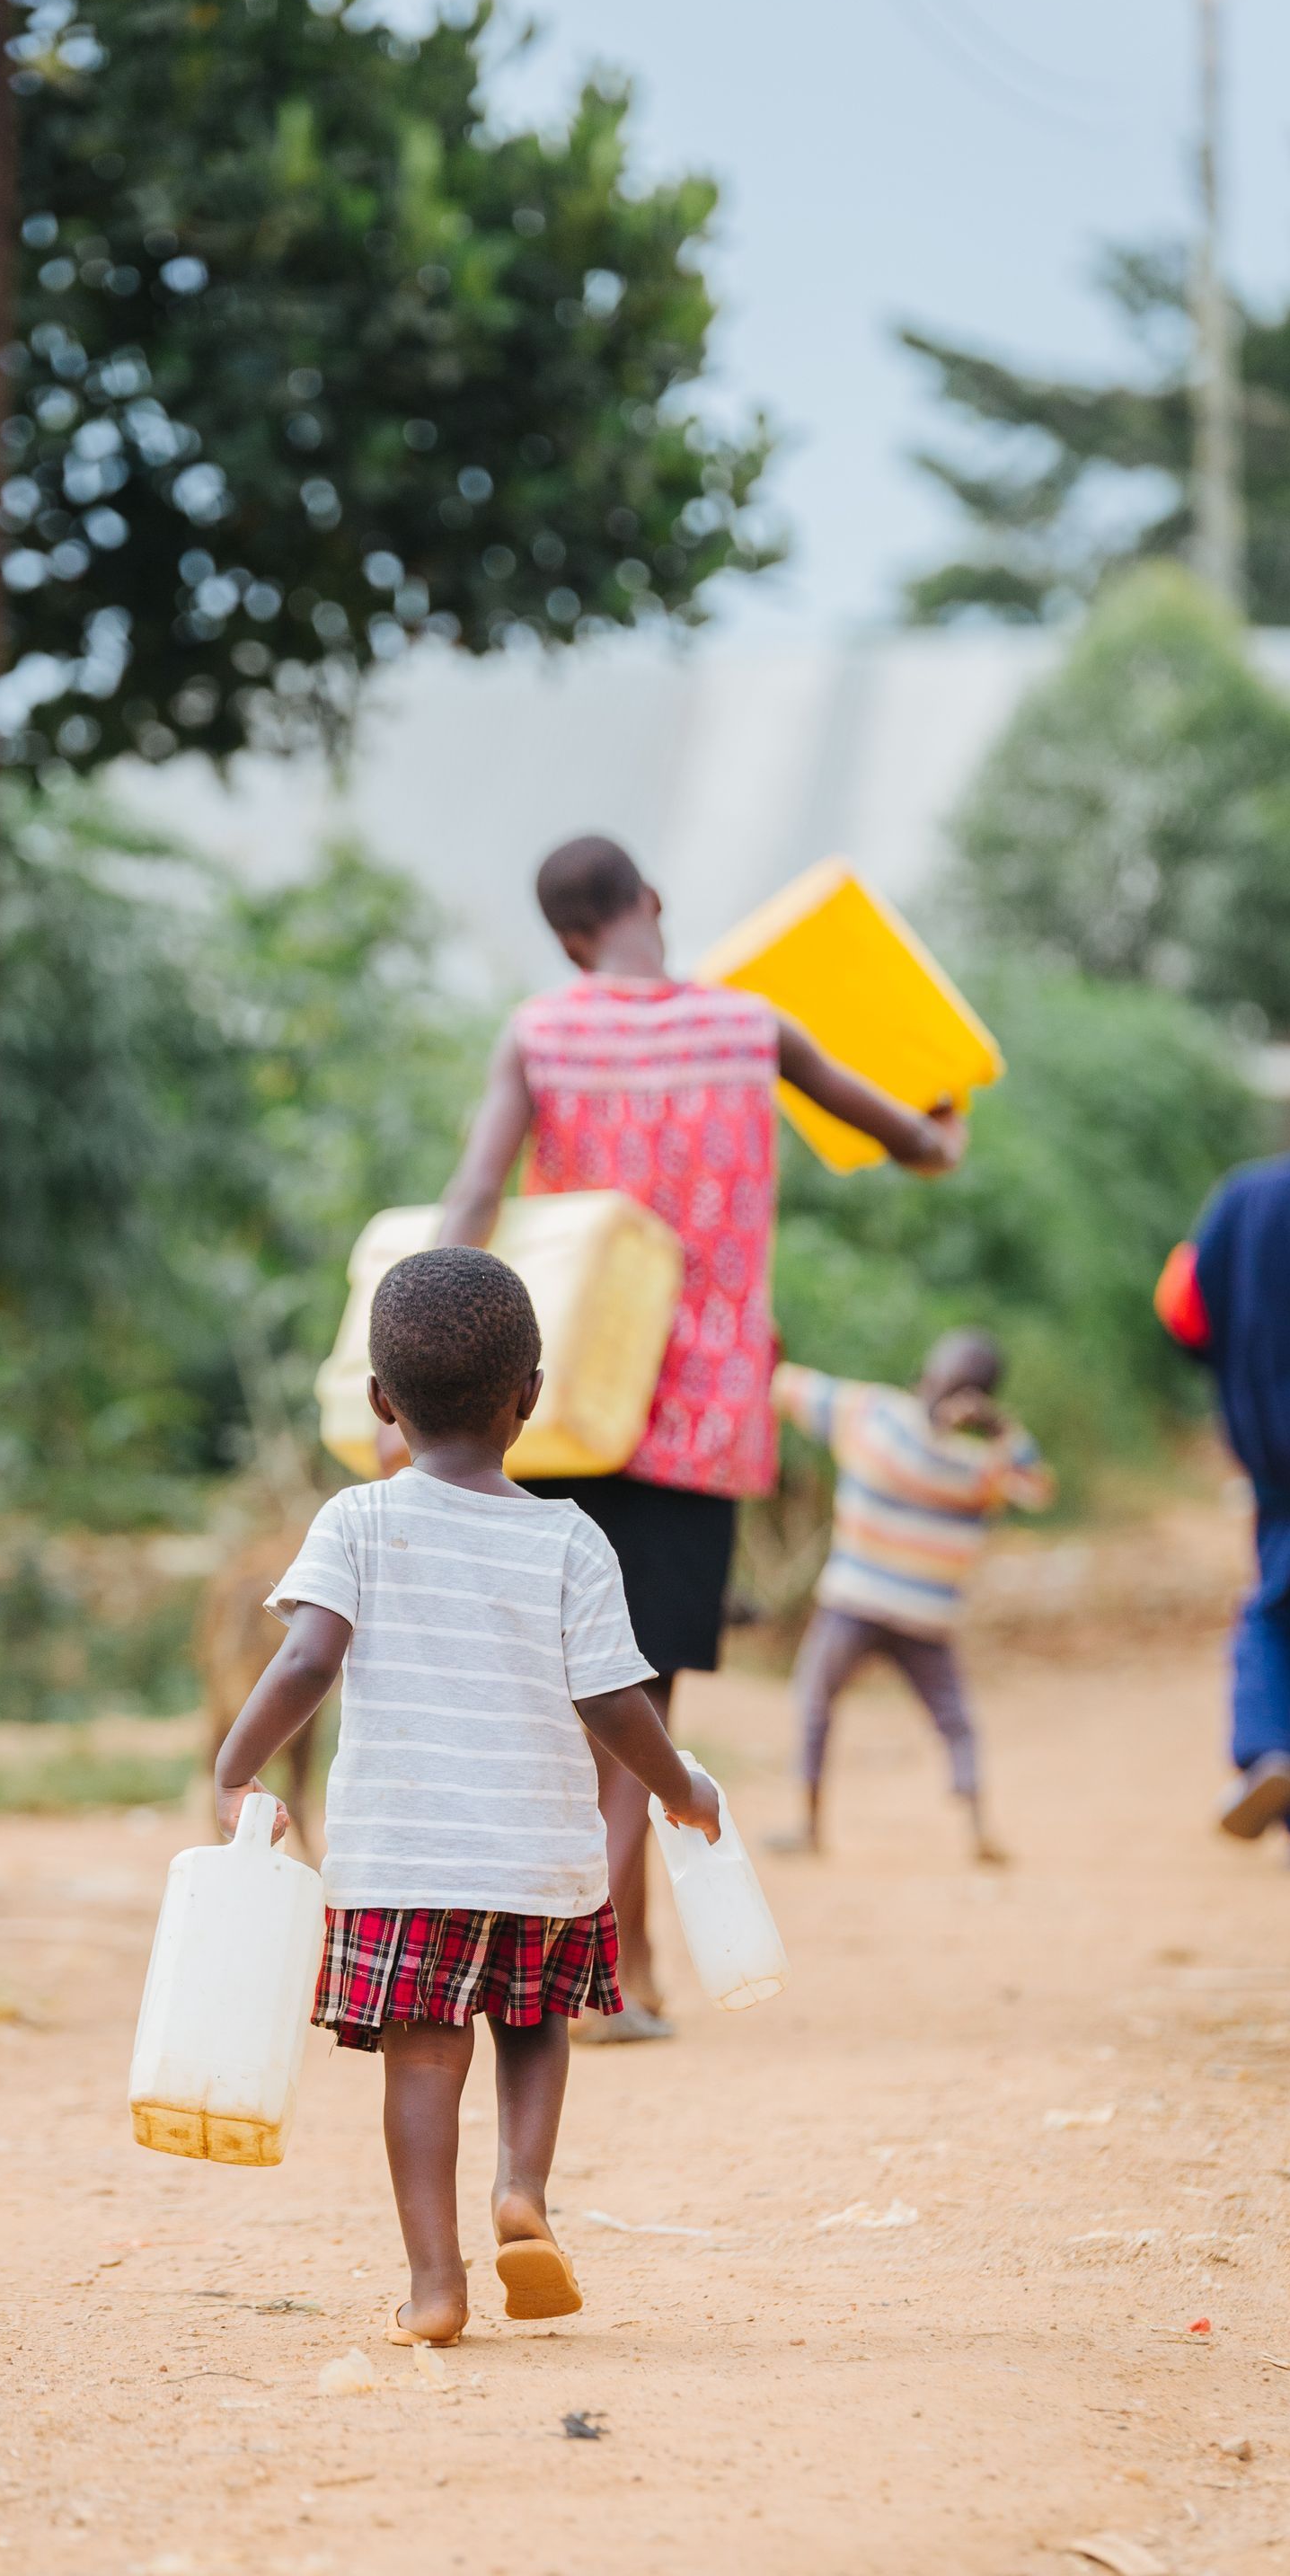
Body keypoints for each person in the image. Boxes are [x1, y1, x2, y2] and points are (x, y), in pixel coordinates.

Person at [409, 833, 967, 2035]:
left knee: (567, 1693)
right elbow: (907, 1140)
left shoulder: (538, 1032)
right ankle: (619, 1972)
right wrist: (941, 1126)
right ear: (652, 904)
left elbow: (470, 1200)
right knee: (641, 1696)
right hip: (700, 1418)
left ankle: (580, 1965)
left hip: (559, 1410)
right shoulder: (748, 1025)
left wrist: (420, 1374)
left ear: (566, 937)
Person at [214, 1245, 720, 2349]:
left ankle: (435, 2285)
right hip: (541, 1859)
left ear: (380, 1402)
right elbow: (617, 1702)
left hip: (405, 1860)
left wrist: (235, 1768)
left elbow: (305, 1662)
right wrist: (682, 1788)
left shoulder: (356, 1521)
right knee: (535, 2027)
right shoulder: (571, 1541)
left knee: (425, 2058)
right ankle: (522, 2192)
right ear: (531, 1399)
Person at [769, 1331, 1055, 1863]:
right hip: (913, 1614)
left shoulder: (876, 1416)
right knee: (952, 1719)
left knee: (817, 1701)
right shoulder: (982, 1462)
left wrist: (997, 1433)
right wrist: (1003, 1433)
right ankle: (975, 1829)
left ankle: (810, 1829)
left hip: (860, 1605)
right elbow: (1036, 1485)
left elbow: (780, 1385)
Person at [1154, 1073, 1290, 1861]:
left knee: (1271, 1602)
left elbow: (1181, 1309)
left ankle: (1268, 1747)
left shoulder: (1242, 1198)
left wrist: (1241, 1372)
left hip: (1273, 1450)